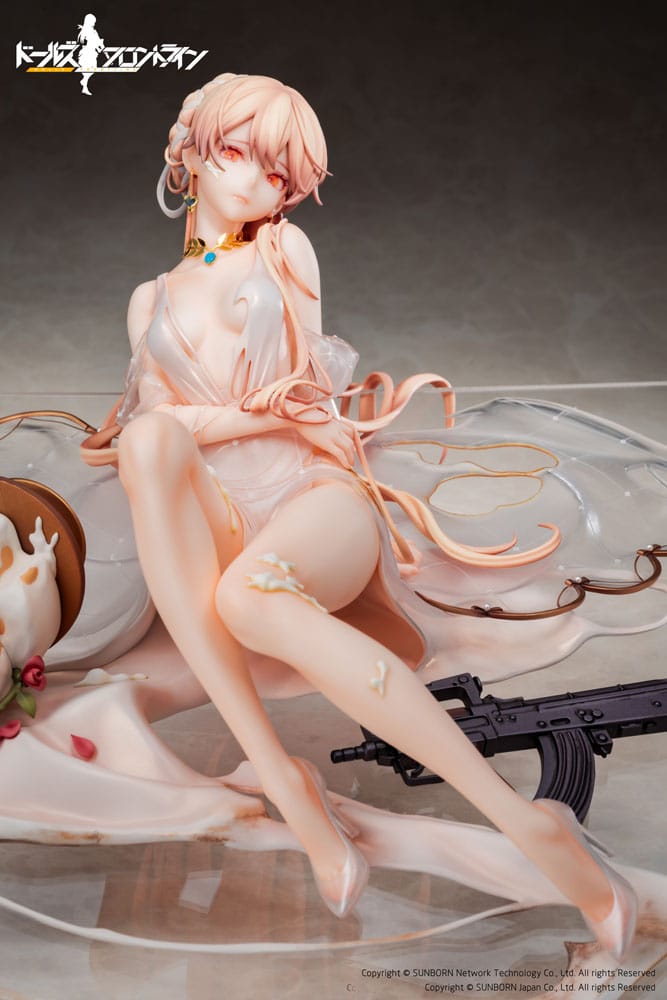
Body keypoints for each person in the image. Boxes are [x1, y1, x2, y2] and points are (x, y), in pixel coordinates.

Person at [76, 72, 638, 955]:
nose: (261, 183)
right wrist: (213, 421)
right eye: (240, 153)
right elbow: (157, 430)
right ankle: (283, 779)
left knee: (249, 592)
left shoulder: (283, 253)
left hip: (310, 496)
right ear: (191, 152)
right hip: (222, 512)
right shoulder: (150, 301)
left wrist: (207, 420)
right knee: (148, 447)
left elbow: (304, 402)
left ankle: (521, 821)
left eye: (281, 175)